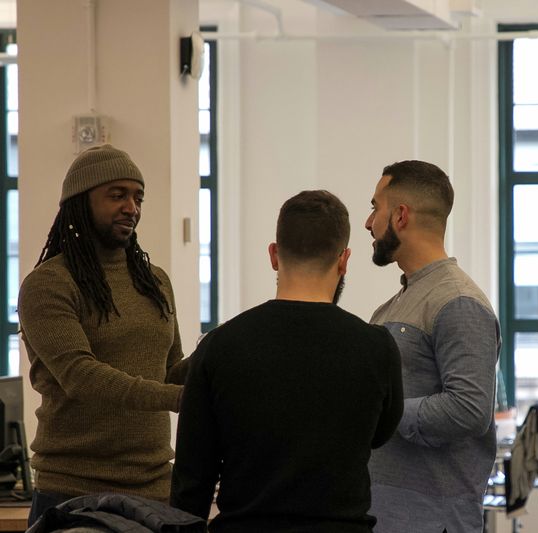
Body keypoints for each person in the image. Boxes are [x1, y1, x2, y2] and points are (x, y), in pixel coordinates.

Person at [170, 190, 404, 533]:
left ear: (274, 255)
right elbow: (381, 433)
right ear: (344, 260)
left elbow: (191, 481)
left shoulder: (220, 347)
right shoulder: (377, 347)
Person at [17, 144, 190, 526]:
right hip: (74, 494)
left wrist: (222, 352)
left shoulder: (154, 281)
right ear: (81, 202)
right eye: (117, 195)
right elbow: (81, 376)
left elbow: (170, 370)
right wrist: (183, 398)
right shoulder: (49, 284)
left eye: (137, 196)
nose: (132, 207)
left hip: (156, 489)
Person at [365, 160, 501, 533]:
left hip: (431, 521)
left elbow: (470, 409)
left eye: (375, 207)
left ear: (401, 215)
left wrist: (379, 412)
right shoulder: (394, 304)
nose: (368, 223)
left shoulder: (457, 301)